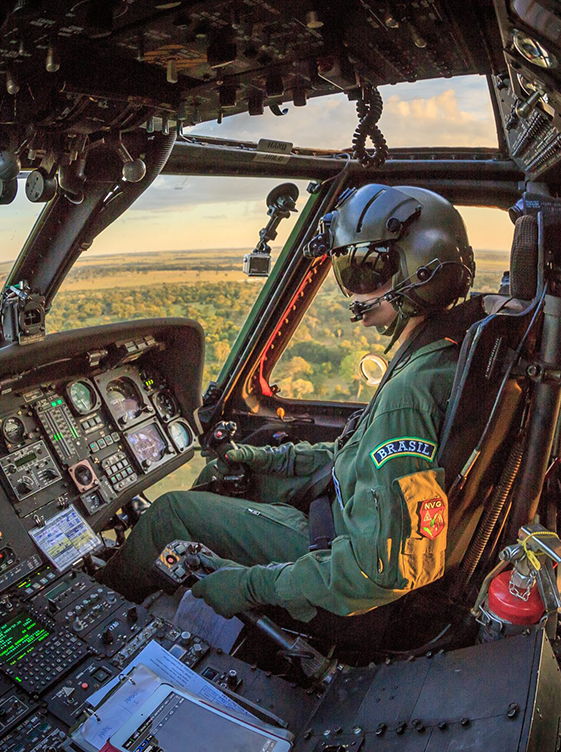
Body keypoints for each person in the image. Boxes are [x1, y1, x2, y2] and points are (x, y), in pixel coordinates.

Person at [99, 184, 476, 622]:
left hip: (340, 558)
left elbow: (382, 570)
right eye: (348, 271)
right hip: (344, 514)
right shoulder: (440, 355)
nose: (353, 292)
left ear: (422, 270)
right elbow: (356, 456)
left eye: (366, 272)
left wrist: (250, 586)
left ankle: (95, 611)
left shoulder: (407, 396)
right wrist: (264, 456)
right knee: (226, 470)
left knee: (168, 512)